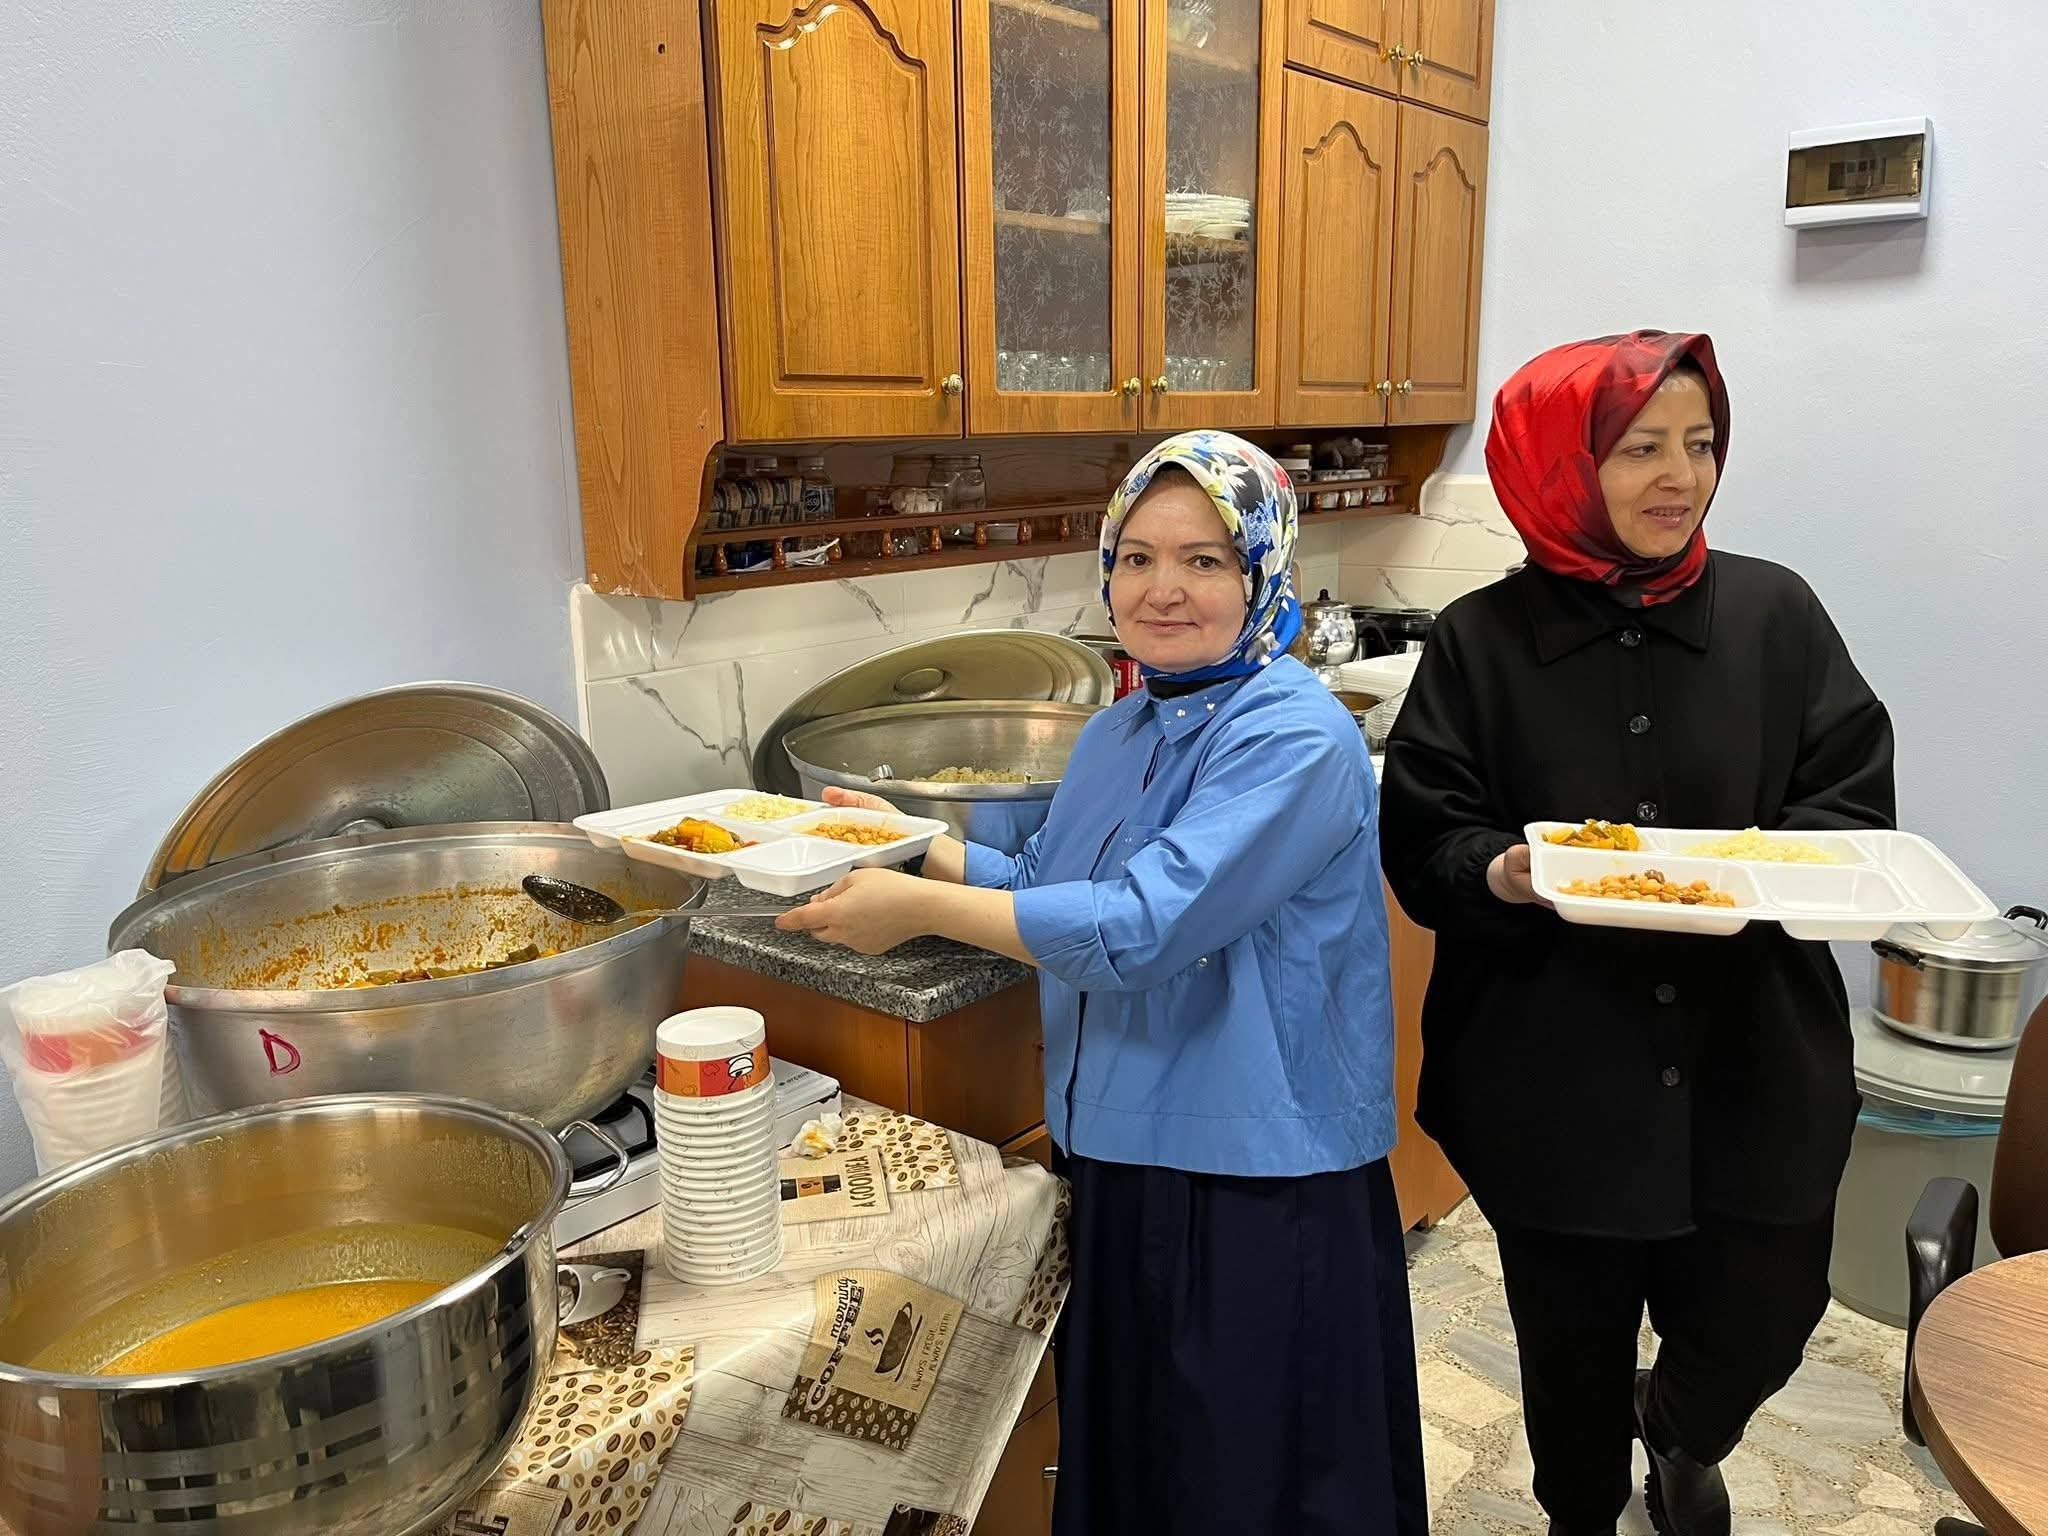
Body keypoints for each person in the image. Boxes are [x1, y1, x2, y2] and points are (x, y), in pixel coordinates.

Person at [778, 430, 1426, 1535]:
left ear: (1262, 571)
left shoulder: (1294, 738)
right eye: (1135, 557)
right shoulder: (1121, 727)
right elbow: (1051, 880)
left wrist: (919, 910)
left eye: (1204, 560)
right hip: (1122, 1161)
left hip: (1254, 1181)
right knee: (1139, 1468)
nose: (1160, 589)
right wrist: (915, 846)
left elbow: (1139, 928)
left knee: (1250, 1484)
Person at [1380, 331, 1896, 1536]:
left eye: (1699, 444)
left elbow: (1847, 796)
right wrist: (1501, 870)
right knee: (1568, 1358)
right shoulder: (1476, 640)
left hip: (1754, 1066)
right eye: (1639, 448)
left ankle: (1677, 1427)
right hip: (1551, 1077)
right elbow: (1424, 835)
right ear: (1561, 464)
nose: (1680, 476)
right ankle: (1580, 1512)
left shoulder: (1774, 613)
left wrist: (1762, 868)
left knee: (1767, 1314)